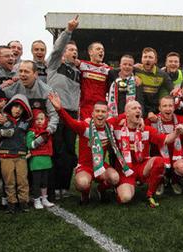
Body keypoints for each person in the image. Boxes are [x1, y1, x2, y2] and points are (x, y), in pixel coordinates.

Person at [49, 93, 125, 205]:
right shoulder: (84, 127)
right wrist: (60, 109)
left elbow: (125, 115)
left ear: (107, 114)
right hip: (85, 166)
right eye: (97, 111)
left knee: (115, 178)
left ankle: (101, 189)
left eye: (103, 112)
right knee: (82, 183)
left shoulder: (110, 126)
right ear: (92, 113)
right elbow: (70, 122)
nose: (100, 114)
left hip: (101, 165)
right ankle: (85, 193)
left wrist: (141, 120)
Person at [113, 101, 183, 208]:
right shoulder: (116, 128)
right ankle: (113, 187)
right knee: (125, 198)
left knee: (159, 161)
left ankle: (150, 194)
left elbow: (166, 139)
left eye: (139, 108)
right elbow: (105, 121)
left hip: (142, 166)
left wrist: (176, 132)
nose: (138, 110)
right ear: (126, 113)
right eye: (134, 108)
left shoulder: (146, 129)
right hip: (125, 170)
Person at [46, 16, 81, 200]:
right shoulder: (54, 64)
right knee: (55, 149)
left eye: (76, 50)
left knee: (68, 150)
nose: (73, 52)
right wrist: (68, 31)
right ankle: (52, 188)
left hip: (72, 113)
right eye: (70, 49)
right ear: (63, 53)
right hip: (55, 111)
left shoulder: (77, 71)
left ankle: (64, 187)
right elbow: (57, 47)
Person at [0, 94, 32, 214]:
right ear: (10, 107)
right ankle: (11, 204)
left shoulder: (26, 122)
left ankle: (24, 203)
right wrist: (1, 133)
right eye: (15, 106)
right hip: (5, 155)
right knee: (9, 181)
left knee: (22, 181)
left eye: (21, 108)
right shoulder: (3, 119)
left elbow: (30, 137)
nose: (18, 109)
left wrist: (29, 149)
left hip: (21, 155)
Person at [146, 96, 183, 195]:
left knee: (182, 168)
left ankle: (174, 181)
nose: (168, 108)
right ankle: (160, 181)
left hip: (176, 157)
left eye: (170, 105)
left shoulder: (181, 119)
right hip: (158, 157)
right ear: (159, 108)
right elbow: (139, 124)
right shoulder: (152, 121)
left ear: (174, 107)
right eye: (165, 106)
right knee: (157, 164)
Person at [27, 109, 55, 209]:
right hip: (36, 161)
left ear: (45, 120)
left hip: (46, 160)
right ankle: (36, 200)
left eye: (42, 119)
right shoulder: (31, 132)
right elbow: (29, 145)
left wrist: (44, 135)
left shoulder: (47, 132)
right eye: (37, 119)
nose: (39, 121)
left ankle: (44, 198)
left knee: (44, 182)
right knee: (36, 182)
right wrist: (39, 139)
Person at [136, 47, 174, 121]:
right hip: (137, 108)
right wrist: (132, 70)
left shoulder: (162, 75)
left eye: (150, 57)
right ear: (141, 59)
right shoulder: (135, 70)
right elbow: (119, 71)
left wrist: (151, 111)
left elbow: (172, 90)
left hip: (153, 110)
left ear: (155, 60)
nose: (147, 59)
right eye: (145, 57)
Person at [79, 36, 111, 119]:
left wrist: (135, 70)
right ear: (90, 52)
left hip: (101, 109)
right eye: (98, 49)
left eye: (103, 50)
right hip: (85, 108)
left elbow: (124, 72)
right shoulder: (82, 65)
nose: (101, 51)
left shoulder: (108, 70)